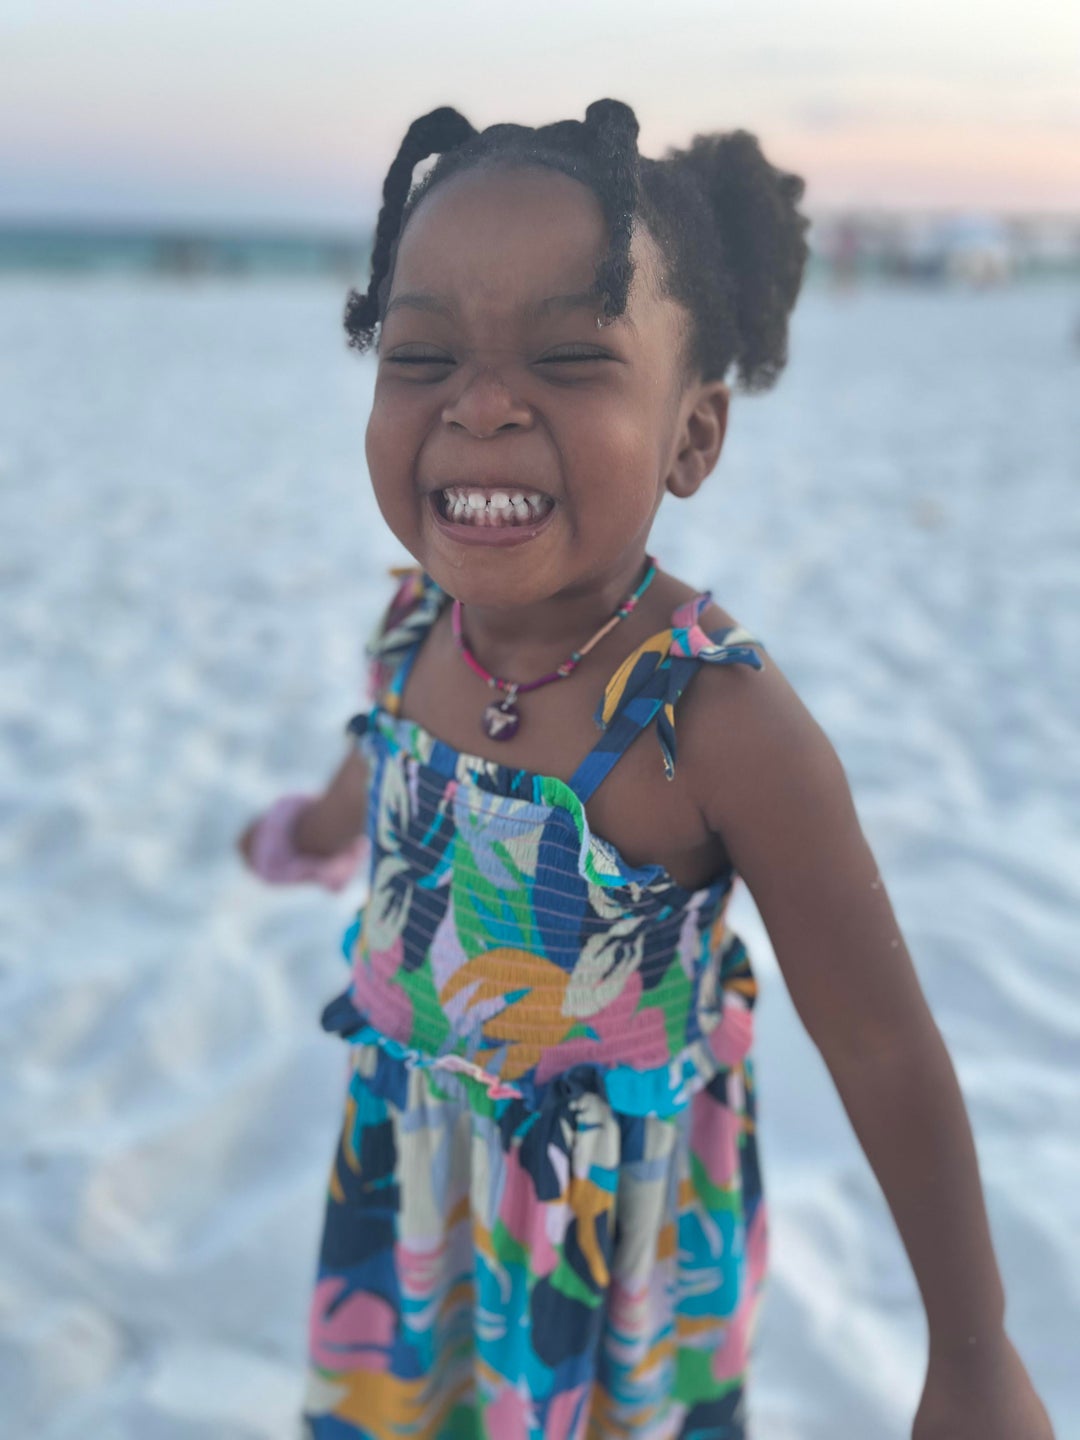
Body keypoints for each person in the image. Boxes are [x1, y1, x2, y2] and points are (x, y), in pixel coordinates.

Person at [237, 101, 1054, 1440]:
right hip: (412, 1197)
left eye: (567, 357)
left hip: (607, 1259)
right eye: (422, 352)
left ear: (693, 437)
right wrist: (313, 830)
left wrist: (972, 1357)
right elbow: (383, 752)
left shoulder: (714, 723)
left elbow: (881, 1041)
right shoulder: (410, 626)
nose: (481, 405)